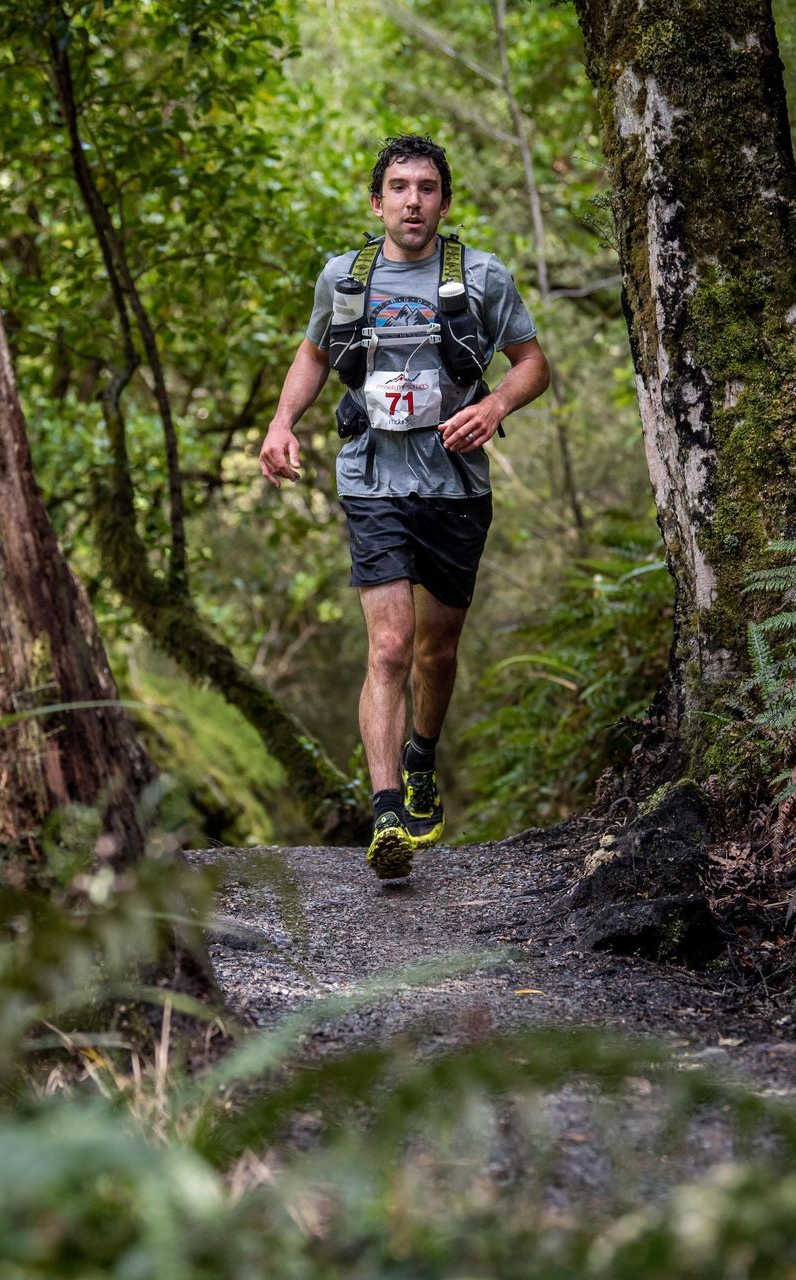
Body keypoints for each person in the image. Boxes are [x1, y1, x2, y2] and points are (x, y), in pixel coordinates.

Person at [258, 135, 551, 881]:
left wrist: (493, 407)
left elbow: (532, 364)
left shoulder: (482, 276)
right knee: (390, 646)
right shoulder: (343, 277)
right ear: (377, 200)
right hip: (371, 478)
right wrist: (281, 423)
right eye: (398, 186)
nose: (412, 200)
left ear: (443, 203)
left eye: (426, 187)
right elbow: (315, 353)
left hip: (456, 484)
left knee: (435, 651)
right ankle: (386, 810)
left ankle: (422, 754)